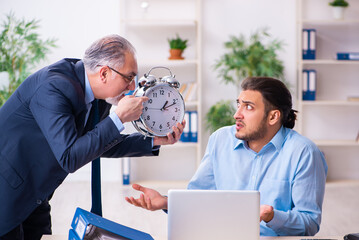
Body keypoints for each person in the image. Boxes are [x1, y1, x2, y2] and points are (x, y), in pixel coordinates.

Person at [0, 34, 185, 240]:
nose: (132, 87)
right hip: (7, 196)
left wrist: (154, 141)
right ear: (104, 73)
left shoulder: (99, 94)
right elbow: (70, 156)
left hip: (36, 194)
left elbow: (98, 143)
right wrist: (118, 117)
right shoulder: (53, 87)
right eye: (128, 77)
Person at [126, 77, 328, 236]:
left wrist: (272, 216)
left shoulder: (304, 153)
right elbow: (199, 196)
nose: (237, 114)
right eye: (238, 104)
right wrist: (165, 202)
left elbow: (309, 223)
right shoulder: (221, 139)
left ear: (273, 116)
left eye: (248, 107)